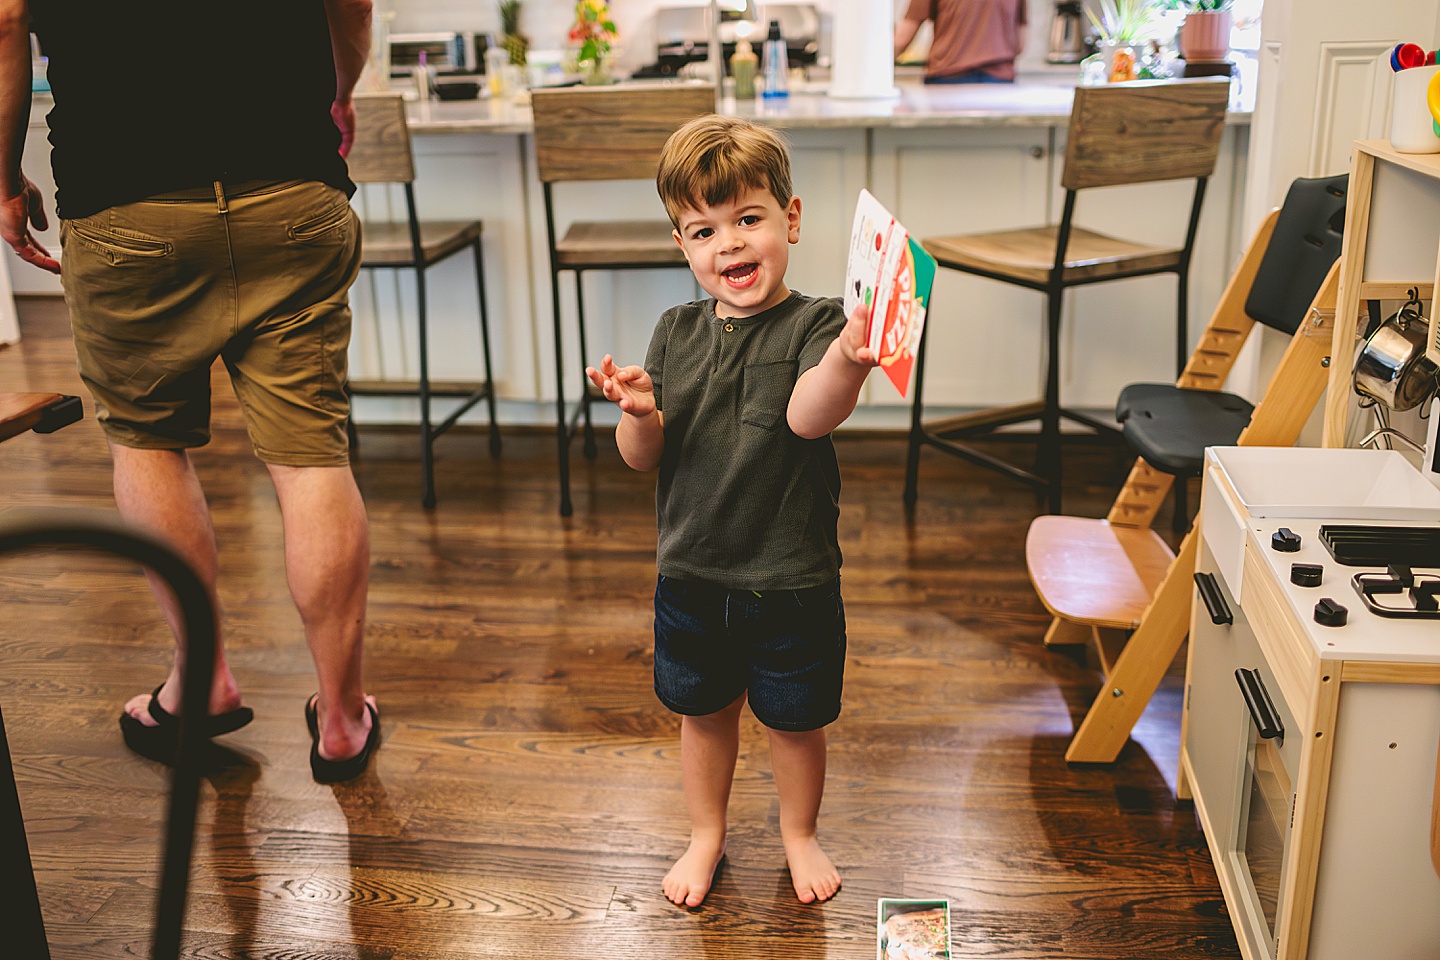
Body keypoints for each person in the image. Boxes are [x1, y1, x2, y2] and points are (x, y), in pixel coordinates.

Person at [0, 0, 381, 783]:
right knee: (312, 456)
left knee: (148, 441)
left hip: (124, 196)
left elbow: (6, 21)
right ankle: (342, 718)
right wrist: (339, 91)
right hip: (291, 183)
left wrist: (5, 178)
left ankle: (202, 682)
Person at [585, 115, 877, 908]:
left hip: (790, 578)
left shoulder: (818, 324)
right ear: (682, 246)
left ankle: (798, 833)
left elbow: (809, 416)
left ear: (790, 217)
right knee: (704, 717)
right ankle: (705, 834)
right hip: (691, 575)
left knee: (795, 722)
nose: (730, 245)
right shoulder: (674, 333)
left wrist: (849, 359)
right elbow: (640, 461)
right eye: (703, 230)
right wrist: (640, 415)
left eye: (748, 219)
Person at [894, 0, 1028, 84]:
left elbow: (902, 40)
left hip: (948, 78)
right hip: (999, 81)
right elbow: (1020, 45)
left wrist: (876, 71)